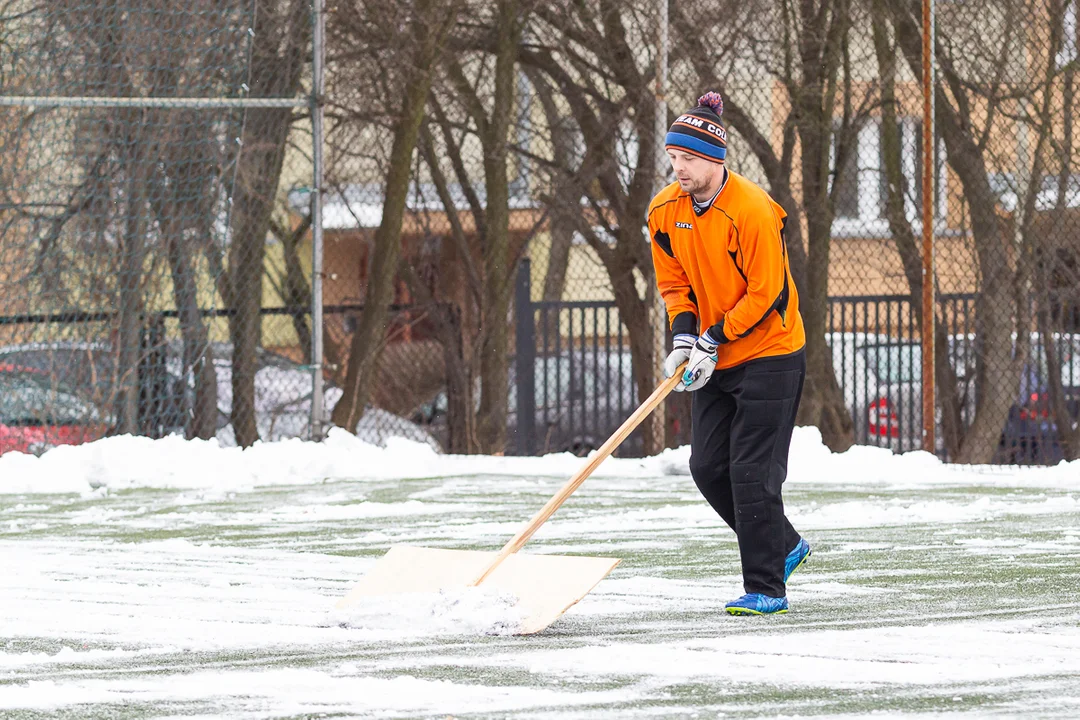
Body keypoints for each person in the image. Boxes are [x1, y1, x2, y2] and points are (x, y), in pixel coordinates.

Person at [648, 91, 812, 616]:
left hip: (770, 350)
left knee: (750, 470)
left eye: (690, 159)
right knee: (707, 466)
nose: (680, 169)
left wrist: (714, 339)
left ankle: (767, 587)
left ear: (716, 159)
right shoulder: (663, 211)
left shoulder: (753, 210)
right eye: (674, 158)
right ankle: (784, 544)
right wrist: (683, 337)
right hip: (711, 351)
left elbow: (768, 294)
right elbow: (674, 284)